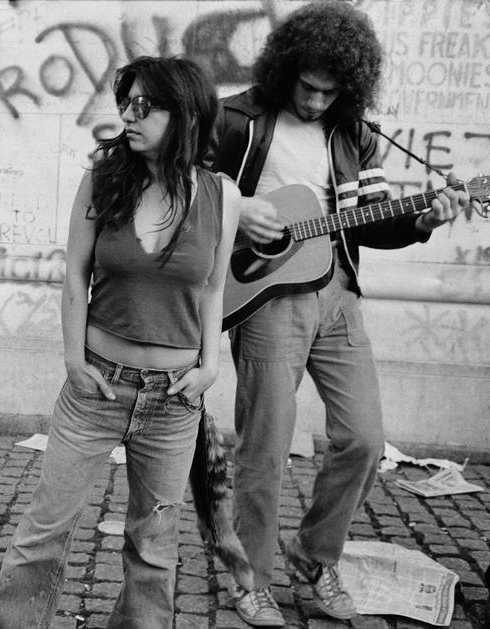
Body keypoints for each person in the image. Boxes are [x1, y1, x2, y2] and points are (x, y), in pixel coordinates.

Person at [203, 3, 471, 625]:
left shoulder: (353, 133)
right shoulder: (237, 119)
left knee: (364, 439)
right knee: (265, 446)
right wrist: (242, 211)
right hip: (268, 296)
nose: (318, 101)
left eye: (332, 91)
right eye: (308, 87)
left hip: (340, 295)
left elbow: (373, 222)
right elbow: (185, 189)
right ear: (285, 70)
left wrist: (424, 218)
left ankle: (314, 554)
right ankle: (253, 580)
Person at [0, 56, 240, 628]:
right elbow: (75, 274)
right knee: (44, 531)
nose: (129, 114)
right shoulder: (105, 177)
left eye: (145, 106)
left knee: (154, 546)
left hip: (175, 401)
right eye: (126, 102)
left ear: (188, 115)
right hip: (96, 387)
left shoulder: (223, 196)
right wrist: (73, 360)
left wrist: (211, 367)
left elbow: (214, 287)